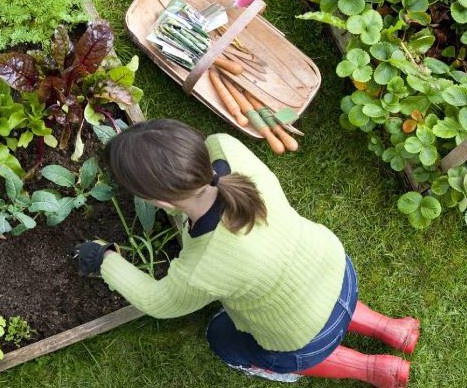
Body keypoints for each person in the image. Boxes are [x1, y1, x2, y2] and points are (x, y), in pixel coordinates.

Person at [76, 119, 419, 387]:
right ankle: (391, 329)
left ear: (163, 204)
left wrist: (105, 258)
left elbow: (158, 301)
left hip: (302, 337)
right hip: (336, 270)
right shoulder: (227, 148)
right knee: (316, 298)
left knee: (221, 338)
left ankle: (373, 368)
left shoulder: (203, 266)